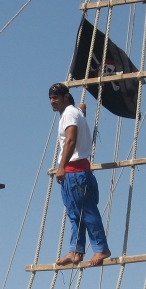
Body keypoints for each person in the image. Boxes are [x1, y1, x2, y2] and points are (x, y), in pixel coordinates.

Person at [49, 83, 111, 267]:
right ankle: (76, 250)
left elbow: (70, 140)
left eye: (56, 98)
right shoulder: (74, 113)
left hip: (75, 173)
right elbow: (79, 119)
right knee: (75, 214)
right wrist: (82, 109)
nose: (52, 101)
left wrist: (62, 166)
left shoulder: (69, 113)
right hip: (74, 174)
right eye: (51, 98)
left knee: (86, 212)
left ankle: (101, 248)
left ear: (66, 97)